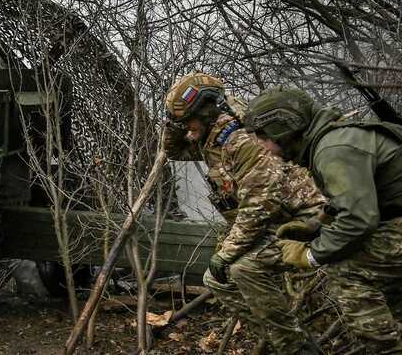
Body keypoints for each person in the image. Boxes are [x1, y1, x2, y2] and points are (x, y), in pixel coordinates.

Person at [164, 72, 324, 354]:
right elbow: (175, 152)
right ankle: (288, 340)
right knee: (218, 279)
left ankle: (295, 347)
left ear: (206, 110)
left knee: (239, 268)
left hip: (304, 222)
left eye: (189, 119)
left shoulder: (240, 138)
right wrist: (174, 124)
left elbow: (258, 204)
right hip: (276, 223)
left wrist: (227, 252)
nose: (187, 128)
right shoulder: (212, 137)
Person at [245, 87, 402, 354]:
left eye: (263, 135)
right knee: (383, 278)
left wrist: (310, 254)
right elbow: (359, 198)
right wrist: (316, 226)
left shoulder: (333, 149)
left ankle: (386, 349)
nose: (260, 144)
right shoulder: (333, 139)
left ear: (284, 126)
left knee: (344, 271)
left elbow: (358, 220)